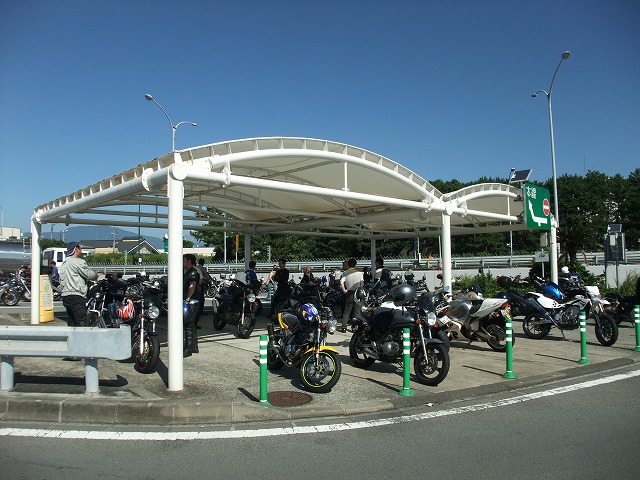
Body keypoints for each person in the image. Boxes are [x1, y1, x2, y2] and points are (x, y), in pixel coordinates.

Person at [59, 242, 100, 327]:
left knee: (72, 321)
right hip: (76, 296)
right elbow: (90, 275)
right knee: (81, 322)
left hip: (65, 296)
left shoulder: (64, 263)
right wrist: (97, 275)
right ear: (76, 249)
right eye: (80, 249)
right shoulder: (78, 262)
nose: (81, 251)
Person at [183, 254, 201, 357]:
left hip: (192, 302)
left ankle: (188, 349)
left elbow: (192, 286)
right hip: (192, 301)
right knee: (191, 324)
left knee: (188, 325)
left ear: (189, 261)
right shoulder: (188, 272)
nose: (182, 262)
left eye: (184, 260)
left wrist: (187, 299)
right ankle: (194, 347)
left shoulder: (193, 272)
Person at [339, 258, 364, 333]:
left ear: (348, 265)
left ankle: (344, 327)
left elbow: (341, 282)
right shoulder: (359, 273)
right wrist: (360, 288)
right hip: (357, 293)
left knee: (347, 311)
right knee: (357, 311)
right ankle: (354, 327)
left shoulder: (345, 273)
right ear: (355, 265)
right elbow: (362, 283)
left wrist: (344, 290)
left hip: (349, 292)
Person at [195, 258, 211, 328]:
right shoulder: (202, 269)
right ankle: (200, 311)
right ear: (203, 263)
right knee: (201, 299)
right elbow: (205, 278)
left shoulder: (196, 268)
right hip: (199, 286)